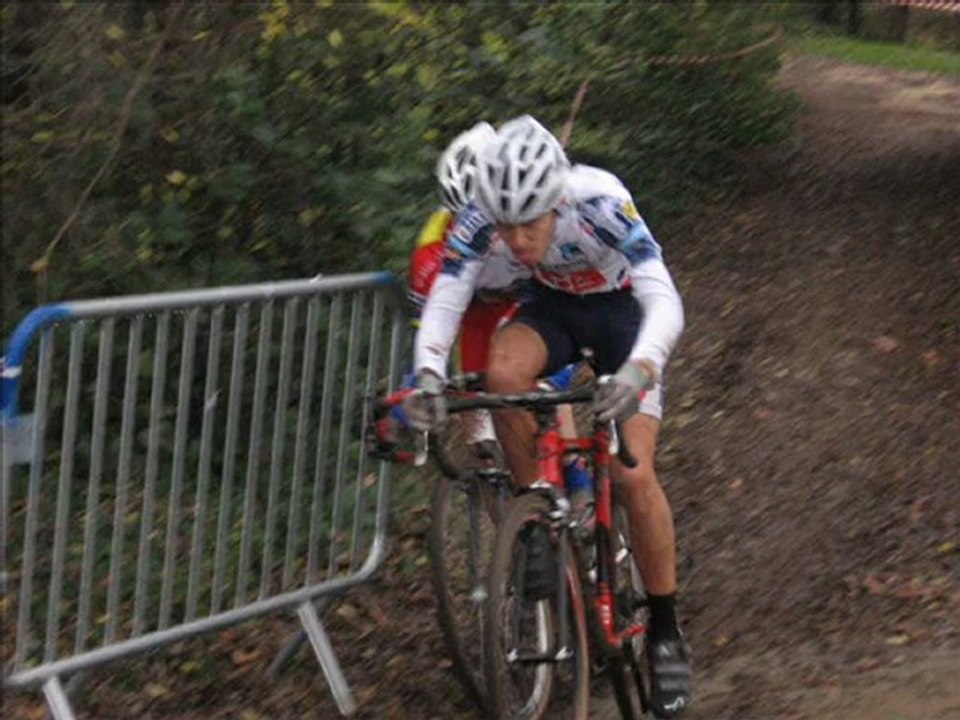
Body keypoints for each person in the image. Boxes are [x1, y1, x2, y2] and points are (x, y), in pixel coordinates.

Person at [406, 115, 690, 718]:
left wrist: (640, 370)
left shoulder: (601, 202)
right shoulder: (485, 214)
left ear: (556, 201)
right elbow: (449, 294)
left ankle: (665, 626)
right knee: (504, 376)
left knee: (634, 475)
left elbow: (663, 297)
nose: (517, 240)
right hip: (553, 309)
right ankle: (535, 507)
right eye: (506, 226)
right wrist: (428, 372)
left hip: (623, 319)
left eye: (529, 224)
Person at [407, 123, 591, 504]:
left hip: (529, 310)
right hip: (477, 322)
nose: (478, 232)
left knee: (546, 391)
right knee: (479, 424)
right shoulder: (430, 253)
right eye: (461, 219)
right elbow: (429, 326)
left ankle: (577, 477)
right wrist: (417, 381)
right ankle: (518, 532)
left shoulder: (536, 229)